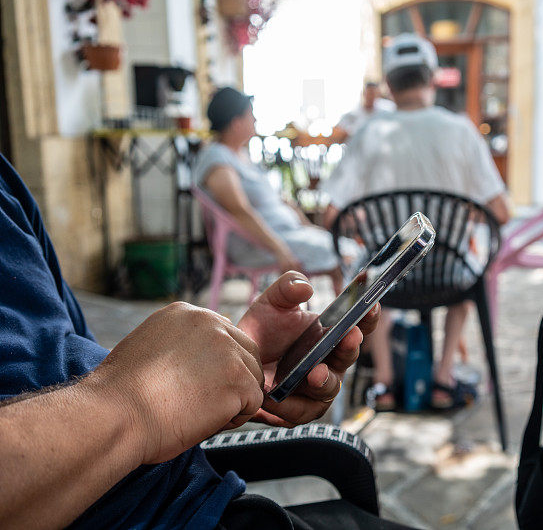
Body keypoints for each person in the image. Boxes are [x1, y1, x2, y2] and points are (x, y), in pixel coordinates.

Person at [0, 154, 415, 529]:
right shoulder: (218, 161)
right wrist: (136, 402)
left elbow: (70, 370)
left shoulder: (7, 188)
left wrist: (224, 366)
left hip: (207, 499)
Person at [322, 34, 511, 411]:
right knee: (468, 270)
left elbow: (331, 215)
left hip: (386, 278)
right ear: (432, 79)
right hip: (449, 272)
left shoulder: (368, 133)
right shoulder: (460, 130)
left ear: (389, 85)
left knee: (381, 261)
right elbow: (501, 213)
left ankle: (385, 384)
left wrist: (365, 221)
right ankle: (443, 378)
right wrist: (461, 214)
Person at [194, 87, 346, 293]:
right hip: (256, 245)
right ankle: (350, 320)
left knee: (348, 248)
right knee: (341, 252)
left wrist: (308, 227)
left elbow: (280, 200)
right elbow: (240, 211)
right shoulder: (217, 159)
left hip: (284, 235)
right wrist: (280, 249)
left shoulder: (242, 155)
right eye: (251, 115)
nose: (255, 120)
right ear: (236, 122)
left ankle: (357, 318)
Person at [331, 82, 395, 143]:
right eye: (369, 94)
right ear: (363, 94)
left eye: (374, 94)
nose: (371, 97)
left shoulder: (387, 110)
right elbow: (337, 133)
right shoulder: (351, 114)